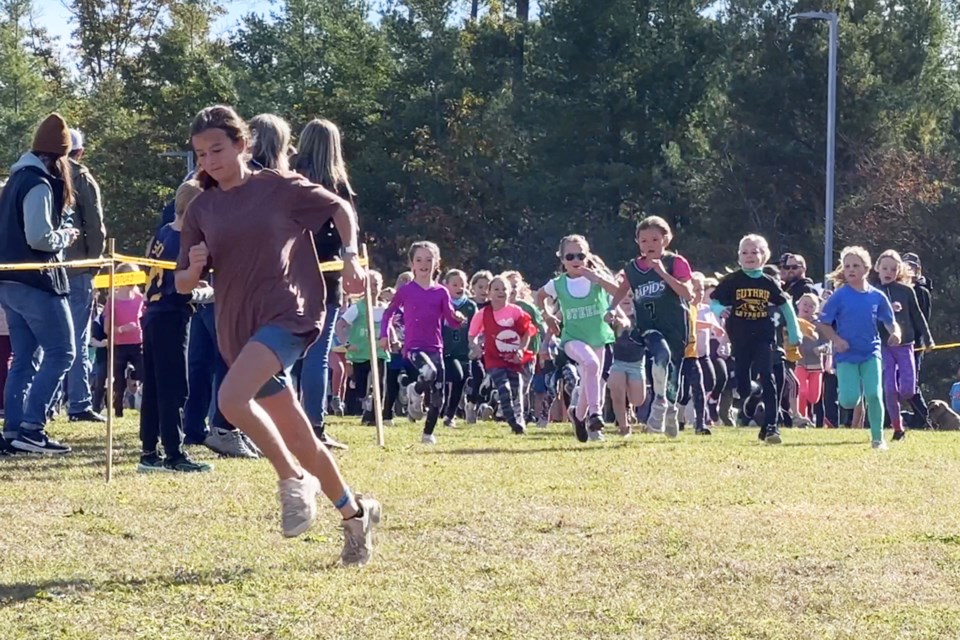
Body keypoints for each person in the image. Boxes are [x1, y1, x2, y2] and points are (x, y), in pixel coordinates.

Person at [175, 105, 379, 564]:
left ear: (242, 145)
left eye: (217, 149)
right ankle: (354, 513)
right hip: (238, 327)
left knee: (230, 401)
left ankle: (292, 478)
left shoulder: (278, 187)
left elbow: (339, 207)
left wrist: (350, 256)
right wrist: (193, 267)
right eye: (201, 154)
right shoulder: (201, 207)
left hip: (290, 314)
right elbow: (182, 284)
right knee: (300, 433)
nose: (209, 161)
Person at [0, 113, 80, 454]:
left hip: (9, 282)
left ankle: (13, 430)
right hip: (36, 280)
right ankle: (32, 428)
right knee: (63, 352)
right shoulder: (38, 183)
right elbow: (39, 236)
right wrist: (65, 235)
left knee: (24, 358)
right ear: (60, 156)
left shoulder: (14, 180)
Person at [294, 119, 362, 451]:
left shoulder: (289, 178)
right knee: (317, 356)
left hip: (289, 276)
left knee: (286, 354)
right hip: (326, 276)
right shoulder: (337, 187)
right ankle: (314, 425)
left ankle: (283, 423)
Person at [138, 180, 213, 473]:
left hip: (153, 314)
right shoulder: (185, 241)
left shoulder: (163, 232)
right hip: (171, 316)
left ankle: (149, 450)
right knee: (174, 387)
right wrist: (207, 293)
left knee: (155, 386)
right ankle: (174, 453)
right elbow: (181, 290)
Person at [602, 217, 694, 438]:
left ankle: (670, 409)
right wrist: (612, 308)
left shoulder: (675, 262)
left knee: (673, 373)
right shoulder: (632, 268)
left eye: (655, 239)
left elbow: (688, 294)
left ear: (666, 239)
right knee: (660, 354)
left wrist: (662, 272)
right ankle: (659, 405)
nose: (649, 244)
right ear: (637, 242)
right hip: (649, 326)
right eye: (643, 240)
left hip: (676, 327)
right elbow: (622, 289)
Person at [710, 234, 800, 445]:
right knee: (742, 385)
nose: (749, 256)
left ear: (764, 256)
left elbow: (786, 306)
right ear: (739, 256)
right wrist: (720, 309)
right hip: (740, 338)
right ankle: (753, 392)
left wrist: (795, 333)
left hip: (763, 336)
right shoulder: (732, 280)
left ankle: (771, 426)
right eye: (745, 252)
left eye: (755, 252)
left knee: (768, 376)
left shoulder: (768, 282)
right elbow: (713, 300)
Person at [378, 242, 465, 444]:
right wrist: (385, 335)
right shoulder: (407, 291)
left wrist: (457, 318)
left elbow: (450, 320)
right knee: (429, 372)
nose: (424, 264)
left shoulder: (441, 292)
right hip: (413, 347)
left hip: (435, 346)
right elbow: (388, 313)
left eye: (429, 260)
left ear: (436, 264)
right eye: (419, 260)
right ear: (412, 264)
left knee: (438, 394)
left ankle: (427, 434)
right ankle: (414, 390)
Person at [817, 246, 901, 450]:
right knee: (848, 400)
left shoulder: (877, 296)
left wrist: (896, 333)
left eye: (855, 265)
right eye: (847, 266)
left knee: (874, 394)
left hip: (871, 352)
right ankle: (848, 396)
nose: (851, 270)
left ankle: (878, 439)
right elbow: (823, 323)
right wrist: (836, 340)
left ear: (866, 268)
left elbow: (891, 321)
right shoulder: (839, 296)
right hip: (846, 355)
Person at [536, 235, 618, 442]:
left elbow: (619, 292)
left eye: (580, 255)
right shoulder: (558, 283)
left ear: (588, 256)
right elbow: (539, 296)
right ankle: (595, 414)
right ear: (562, 259)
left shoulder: (596, 279)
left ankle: (578, 415)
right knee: (590, 365)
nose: (576, 260)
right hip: (573, 338)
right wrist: (547, 315)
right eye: (570, 256)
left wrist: (597, 279)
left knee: (593, 377)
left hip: (598, 336)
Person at [64, 128, 108, 423]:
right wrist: (94, 263)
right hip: (78, 269)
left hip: (42, 271)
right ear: (79, 152)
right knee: (77, 339)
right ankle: (79, 403)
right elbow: (95, 225)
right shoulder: (81, 177)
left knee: (46, 343)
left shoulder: (32, 175)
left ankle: (43, 404)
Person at [874, 250, 933, 440]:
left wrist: (928, 339)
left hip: (906, 345)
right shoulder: (873, 292)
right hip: (884, 346)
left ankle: (908, 415)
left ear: (899, 270)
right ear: (877, 269)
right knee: (890, 389)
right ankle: (898, 428)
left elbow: (918, 316)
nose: (888, 271)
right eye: (884, 268)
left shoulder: (906, 291)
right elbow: (868, 319)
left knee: (908, 389)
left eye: (893, 268)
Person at [468, 274, 537, 434]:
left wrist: (520, 349)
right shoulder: (483, 313)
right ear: (489, 292)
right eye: (496, 289)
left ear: (510, 292)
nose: (501, 292)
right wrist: (476, 347)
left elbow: (527, 332)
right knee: (503, 388)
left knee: (517, 388)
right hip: (494, 360)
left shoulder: (515, 311)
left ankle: (519, 420)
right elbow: (472, 335)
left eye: (504, 289)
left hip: (514, 359)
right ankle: (513, 422)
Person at [335, 270, 389, 425]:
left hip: (379, 352)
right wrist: (346, 343)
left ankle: (374, 417)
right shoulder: (358, 308)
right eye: (369, 284)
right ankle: (365, 408)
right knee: (362, 388)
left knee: (379, 384)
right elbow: (340, 325)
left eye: (376, 284)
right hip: (361, 353)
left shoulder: (384, 308)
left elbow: (388, 327)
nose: (372, 288)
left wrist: (393, 340)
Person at [103, 263, 144, 418]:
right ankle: (117, 410)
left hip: (137, 342)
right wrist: (121, 329)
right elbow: (107, 329)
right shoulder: (112, 301)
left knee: (144, 372)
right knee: (118, 381)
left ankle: (145, 406)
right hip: (119, 345)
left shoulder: (139, 299)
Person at [441, 269, 477, 428]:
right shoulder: (442, 303)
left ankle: (450, 415)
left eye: (462, 284)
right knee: (450, 377)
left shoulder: (470, 306)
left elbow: (475, 328)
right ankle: (437, 407)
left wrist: (475, 344)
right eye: (454, 284)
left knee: (460, 382)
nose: (459, 287)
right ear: (446, 285)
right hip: (445, 350)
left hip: (464, 351)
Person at [606, 290, 644, 436]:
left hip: (637, 363)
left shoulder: (641, 318)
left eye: (630, 296)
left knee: (638, 399)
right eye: (623, 296)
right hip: (617, 362)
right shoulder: (611, 318)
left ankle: (630, 406)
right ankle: (624, 426)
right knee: (617, 393)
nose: (626, 299)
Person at [903, 252, 933, 427]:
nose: (908, 269)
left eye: (911, 266)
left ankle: (922, 418)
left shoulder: (921, 291)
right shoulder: (899, 289)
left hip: (914, 344)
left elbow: (921, 320)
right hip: (898, 344)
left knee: (910, 381)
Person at [464, 269, 494, 422]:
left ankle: (483, 406)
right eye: (480, 287)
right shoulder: (468, 305)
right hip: (473, 350)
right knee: (478, 376)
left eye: (487, 287)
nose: (484, 291)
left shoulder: (493, 307)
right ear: (473, 287)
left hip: (490, 349)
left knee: (491, 378)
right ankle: (471, 405)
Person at [795, 293, 827, 423]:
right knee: (801, 391)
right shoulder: (794, 322)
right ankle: (803, 419)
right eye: (805, 304)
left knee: (814, 397)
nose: (807, 307)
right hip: (799, 362)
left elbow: (827, 343)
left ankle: (809, 414)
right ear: (798, 305)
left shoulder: (818, 325)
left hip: (816, 365)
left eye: (812, 305)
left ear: (816, 309)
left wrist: (820, 349)